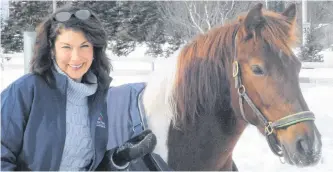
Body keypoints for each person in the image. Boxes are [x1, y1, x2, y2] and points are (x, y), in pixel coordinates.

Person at [1, 6, 157, 171]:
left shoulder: (96, 97)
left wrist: (118, 158)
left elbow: (87, 165)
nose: (76, 57)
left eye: (84, 46)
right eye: (66, 47)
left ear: (94, 49)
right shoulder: (25, 90)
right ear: (52, 50)